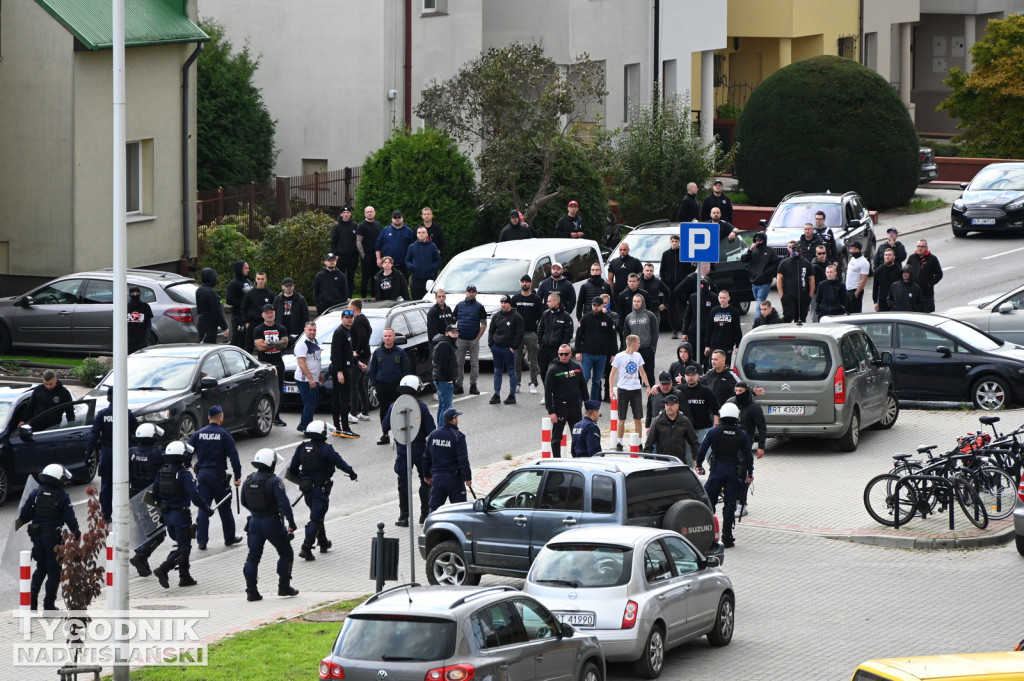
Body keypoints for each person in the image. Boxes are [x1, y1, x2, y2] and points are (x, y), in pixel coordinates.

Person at [288, 420, 357, 561]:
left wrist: (303, 478)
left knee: (318, 515)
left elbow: (293, 468)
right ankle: (306, 547)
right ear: (322, 433)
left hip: (307, 491)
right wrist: (351, 472)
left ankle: (323, 542)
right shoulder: (326, 449)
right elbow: (339, 462)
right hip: (320, 490)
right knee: (316, 518)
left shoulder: (302, 448)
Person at [150, 441, 214, 588]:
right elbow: (195, 496)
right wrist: (206, 509)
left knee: (182, 545)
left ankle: (185, 577)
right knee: (184, 548)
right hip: (181, 515)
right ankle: (163, 569)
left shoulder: (161, 472)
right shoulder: (184, 474)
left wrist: (163, 506)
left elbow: (154, 494)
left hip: (167, 515)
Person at [18, 464, 79, 611]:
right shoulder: (62, 497)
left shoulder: (35, 493)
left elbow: (23, 515)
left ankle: (31, 604)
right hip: (53, 539)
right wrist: (77, 536)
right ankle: (48, 606)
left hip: (37, 538)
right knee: (54, 571)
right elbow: (71, 521)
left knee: (40, 569)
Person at [241, 448, 299, 601]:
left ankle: (251, 591)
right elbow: (285, 504)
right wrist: (291, 522)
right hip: (272, 523)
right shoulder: (275, 481)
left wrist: (256, 511)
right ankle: (284, 587)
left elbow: (243, 501)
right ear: (271, 464)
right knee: (286, 552)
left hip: (254, 523)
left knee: (252, 558)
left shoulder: (248, 479)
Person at [695, 403, 754, 549]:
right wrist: (750, 473)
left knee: (709, 503)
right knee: (730, 505)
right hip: (733, 473)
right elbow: (748, 456)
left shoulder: (714, 432)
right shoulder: (741, 434)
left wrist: (699, 464)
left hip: (717, 472)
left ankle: (706, 536)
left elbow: (702, 449)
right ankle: (727, 538)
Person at [381, 376, 436, 526]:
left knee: (403, 482)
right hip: (419, 447)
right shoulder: (421, 407)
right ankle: (425, 514)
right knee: (426, 480)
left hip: (402, 449)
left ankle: (404, 516)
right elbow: (431, 429)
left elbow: (385, 425)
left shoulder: (394, 406)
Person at [189, 405, 243, 551]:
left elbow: (186, 451)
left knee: (203, 507)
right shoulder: (224, 434)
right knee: (225, 509)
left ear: (208, 417)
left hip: (202, 476)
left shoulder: (198, 434)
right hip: (218, 477)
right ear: (221, 417)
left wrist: (189, 465)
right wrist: (237, 476)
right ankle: (229, 538)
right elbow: (234, 457)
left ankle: (202, 541)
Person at [85, 386, 138, 522]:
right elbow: (137, 433)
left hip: (107, 453)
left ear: (108, 397)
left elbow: (93, 435)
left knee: (107, 485)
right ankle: (125, 514)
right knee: (126, 483)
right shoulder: (127, 414)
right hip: (124, 453)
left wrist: (88, 453)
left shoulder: (102, 414)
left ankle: (106, 515)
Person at [128, 424, 166, 577]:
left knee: (141, 531)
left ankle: (142, 561)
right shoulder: (157, 453)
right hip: (150, 495)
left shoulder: (130, 452)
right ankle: (140, 557)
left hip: (133, 494)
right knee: (159, 533)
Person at [726, 381, 766, 517]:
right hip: (729, 445)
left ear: (746, 391)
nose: (737, 394)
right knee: (730, 475)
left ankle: (742, 504)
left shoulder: (754, 407)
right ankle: (732, 501)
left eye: (740, 391)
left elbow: (762, 427)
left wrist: (761, 446)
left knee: (743, 475)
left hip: (745, 447)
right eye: (736, 391)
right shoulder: (731, 403)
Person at [368, 327, 411, 445]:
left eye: (389, 336)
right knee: (384, 411)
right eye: (385, 336)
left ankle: (398, 435)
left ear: (394, 337)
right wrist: (374, 384)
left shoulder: (400, 352)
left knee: (397, 411)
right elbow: (372, 370)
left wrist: (403, 385)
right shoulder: (377, 352)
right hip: (382, 386)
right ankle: (385, 434)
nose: (387, 338)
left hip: (396, 386)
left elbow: (406, 370)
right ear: (383, 338)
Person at [544, 343, 589, 458]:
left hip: (575, 406)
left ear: (570, 354)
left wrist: (588, 405)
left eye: (565, 354)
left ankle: (577, 457)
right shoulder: (553, 370)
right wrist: (551, 412)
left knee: (577, 435)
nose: (563, 356)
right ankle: (557, 461)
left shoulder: (577, 368)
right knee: (556, 437)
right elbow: (547, 393)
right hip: (560, 407)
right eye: (561, 354)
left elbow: (583, 387)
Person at [424, 408, 473, 512]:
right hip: (454, 479)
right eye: (457, 417)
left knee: (434, 511)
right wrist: (467, 478)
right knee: (460, 511)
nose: (458, 419)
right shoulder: (458, 436)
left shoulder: (434, 435)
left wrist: (426, 475)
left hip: (437, 479)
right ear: (454, 420)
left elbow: (426, 457)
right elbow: (463, 459)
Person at [609, 334, 650, 451]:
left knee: (638, 418)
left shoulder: (638, 356)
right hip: (623, 390)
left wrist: (647, 386)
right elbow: (612, 374)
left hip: (636, 389)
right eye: (638, 343)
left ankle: (639, 442)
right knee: (621, 418)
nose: (639, 345)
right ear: (633, 344)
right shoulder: (619, 356)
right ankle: (619, 443)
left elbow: (642, 372)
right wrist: (611, 390)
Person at [253, 304, 289, 427]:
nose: (270, 314)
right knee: (264, 391)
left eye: (271, 312)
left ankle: (277, 417)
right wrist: (276, 344)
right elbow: (260, 346)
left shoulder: (281, 328)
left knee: (279, 391)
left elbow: (284, 344)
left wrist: (268, 342)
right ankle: (266, 415)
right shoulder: (258, 329)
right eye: (267, 313)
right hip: (265, 365)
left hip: (278, 363)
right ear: (263, 315)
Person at [575, 296, 617, 402]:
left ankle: (593, 406)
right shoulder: (585, 318)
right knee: (584, 380)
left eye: (598, 305)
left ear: (602, 305)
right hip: (587, 354)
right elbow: (579, 336)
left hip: (602, 355)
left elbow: (612, 338)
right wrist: (578, 351)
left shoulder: (608, 319)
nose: (596, 308)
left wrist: (613, 354)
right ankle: (578, 405)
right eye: (594, 305)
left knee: (597, 381)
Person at [644, 394, 700, 465]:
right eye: (667, 405)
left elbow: (694, 441)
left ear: (677, 406)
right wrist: (650, 461)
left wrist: (696, 458)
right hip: (662, 463)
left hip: (679, 462)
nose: (669, 407)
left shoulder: (684, 421)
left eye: (672, 404)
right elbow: (648, 444)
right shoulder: (657, 421)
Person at [329, 311, 360, 438]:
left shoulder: (347, 331)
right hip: (341, 369)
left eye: (351, 317)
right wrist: (339, 371)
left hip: (345, 367)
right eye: (346, 318)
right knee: (343, 400)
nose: (349, 320)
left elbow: (347, 352)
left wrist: (357, 363)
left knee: (338, 398)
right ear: (342, 318)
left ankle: (338, 428)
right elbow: (336, 353)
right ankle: (344, 428)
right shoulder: (340, 332)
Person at [488, 294, 524, 405]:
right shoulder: (497, 316)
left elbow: (520, 333)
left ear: (510, 303)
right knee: (497, 372)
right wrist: (491, 345)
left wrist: (513, 347)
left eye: (505, 303)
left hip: (509, 349)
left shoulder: (516, 317)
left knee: (511, 372)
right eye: (502, 303)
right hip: (497, 347)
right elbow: (491, 330)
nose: (503, 305)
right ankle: (496, 394)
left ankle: (512, 395)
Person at [512, 275, 544, 393]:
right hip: (517, 334)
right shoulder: (515, 299)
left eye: (527, 282)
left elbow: (541, 317)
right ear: (520, 283)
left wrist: (537, 332)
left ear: (530, 284)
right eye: (523, 282)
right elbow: (511, 317)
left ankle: (533, 384)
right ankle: (516, 383)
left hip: (531, 333)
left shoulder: (536, 299)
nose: (525, 283)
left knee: (533, 360)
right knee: (517, 360)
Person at [453, 284, 487, 395]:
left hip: (473, 339)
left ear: (476, 293)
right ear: (466, 293)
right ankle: (459, 385)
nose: (471, 293)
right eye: (469, 291)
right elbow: (453, 323)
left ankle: (473, 385)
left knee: (474, 364)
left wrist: (477, 338)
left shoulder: (480, 307)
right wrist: (455, 335)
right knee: (459, 363)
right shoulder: (459, 305)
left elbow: (484, 324)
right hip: (461, 339)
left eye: (473, 291)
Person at [537, 291, 574, 385]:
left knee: (558, 372)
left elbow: (568, 334)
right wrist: (540, 343)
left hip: (557, 349)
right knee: (543, 371)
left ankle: (557, 392)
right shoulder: (545, 314)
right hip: (545, 347)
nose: (547, 303)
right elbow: (540, 329)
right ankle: (547, 391)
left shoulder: (566, 316)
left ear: (556, 302)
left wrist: (561, 348)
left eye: (549, 301)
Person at [659, 234, 693, 337]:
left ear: (679, 242)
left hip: (681, 285)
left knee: (683, 307)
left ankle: (685, 329)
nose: (674, 243)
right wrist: (666, 285)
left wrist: (685, 283)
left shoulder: (684, 254)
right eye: (673, 241)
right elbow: (662, 271)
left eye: (676, 241)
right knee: (671, 309)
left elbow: (689, 270)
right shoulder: (666, 254)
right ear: (670, 242)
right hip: (670, 286)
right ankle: (674, 330)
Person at [682, 274, 717, 368]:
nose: (702, 286)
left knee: (706, 356)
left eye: (704, 284)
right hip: (693, 331)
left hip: (707, 332)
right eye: (700, 284)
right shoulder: (693, 297)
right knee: (693, 355)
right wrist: (684, 332)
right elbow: (687, 315)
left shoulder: (713, 297)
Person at [292, 321, 323, 433]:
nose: (312, 332)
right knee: (310, 404)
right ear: (305, 330)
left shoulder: (314, 341)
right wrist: (310, 379)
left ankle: (303, 424)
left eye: (314, 330)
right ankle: (307, 428)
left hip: (314, 377)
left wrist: (319, 374)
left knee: (314, 403)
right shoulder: (302, 344)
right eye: (310, 330)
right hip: (304, 379)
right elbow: (301, 362)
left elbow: (316, 359)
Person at [741, 232, 779, 318]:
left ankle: (756, 325)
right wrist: (750, 250)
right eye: (757, 240)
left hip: (765, 282)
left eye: (760, 240)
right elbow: (743, 259)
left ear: (764, 240)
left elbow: (776, 264)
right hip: (754, 281)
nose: (758, 242)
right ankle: (766, 318)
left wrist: (766, 273)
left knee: (759, 305)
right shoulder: (753, 250)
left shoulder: (770, 251)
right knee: (760, 305)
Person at [678, 364, 719, 444]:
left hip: (703, 428)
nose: (690, 377)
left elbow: (716, 409)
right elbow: (666, 391)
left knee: (703, 455)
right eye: (688, 375)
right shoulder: (679, 390)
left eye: (693, 375)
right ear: (684, 376)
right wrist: (655, 387)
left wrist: (715, 424)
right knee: (688, 456)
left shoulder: (706, 391)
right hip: (686, 429)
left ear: (698, 376)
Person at [777, 241, 815, 323]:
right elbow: (779, 278)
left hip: (803, 296)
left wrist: (811, 294)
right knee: (788, 316)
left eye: (798, 249)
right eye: (794, 249)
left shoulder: (806, 263)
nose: (796, 251)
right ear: (791, 250)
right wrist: (781, 294)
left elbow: (811, 278)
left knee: (801, 319)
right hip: (788, 295)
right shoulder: (784, 263)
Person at [348, 299, 373, 420]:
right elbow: (369, 332)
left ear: (353, 308)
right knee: (360, 383)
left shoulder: (357, 321)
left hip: (361, 356)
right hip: (366, 354)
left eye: (349, 308)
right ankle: (365, 411)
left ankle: (353, 413)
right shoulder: (364, 319)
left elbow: (362, 336)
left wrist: (357, 351)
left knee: (353, 384)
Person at [625, 293, 659, 380]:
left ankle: (652, 391)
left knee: (649, 374)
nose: (636, 303)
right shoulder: (629, 317)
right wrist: (627, 349)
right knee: (635, 375)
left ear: (642, 302)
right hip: (634, 350)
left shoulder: (650, 315)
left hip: (647, 348)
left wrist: (653, 347)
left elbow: (655, 332)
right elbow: (626, 335)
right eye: (634, 301)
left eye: (638, 301)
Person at [431, 324, 460, 425]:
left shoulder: (444, 343)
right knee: (447, 408)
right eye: (453, 332)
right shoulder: (445, 345)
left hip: (440, 378)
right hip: (444, 380)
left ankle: (439, 429)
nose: (455, 335)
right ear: (446, 333)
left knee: (442, 406)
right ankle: (443, 431)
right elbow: (444, 364)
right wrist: (449, 378)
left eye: (456, 332)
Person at [705, 291, 742, 366]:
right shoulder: (714, 311)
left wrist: (738, 346)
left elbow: (737, 329)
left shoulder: (734, 312)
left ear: (728, 298)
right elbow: (709, 329)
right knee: (713, 365)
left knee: (725, 365)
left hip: (727, 345)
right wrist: (707, 345)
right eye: (720, 298)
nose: (722, 300)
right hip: (714, 344)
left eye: (724, 298)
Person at [240, 271, 275, 353]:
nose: (260, 281)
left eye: (262, 279)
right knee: (249, 346)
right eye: (258, 279)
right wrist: (246, 322)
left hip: (264, 323)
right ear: (255, 280)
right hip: (252, 323)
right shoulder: (250, 293)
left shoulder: (270, 294)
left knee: (264, 346)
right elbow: (243, 308)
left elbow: (274, 309)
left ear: (265, 280)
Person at [330, 205, 361, 295]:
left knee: (351, 277)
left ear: (350, 214)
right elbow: (333, 241)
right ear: (341, 214)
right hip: (341, 257)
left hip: (353, 257)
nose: (346, 214)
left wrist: (357, 253)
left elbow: (358, 241)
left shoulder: (355, 226)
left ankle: (349, 296)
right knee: (340, 277)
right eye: (344, 213)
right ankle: (340, 296)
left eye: (348, 213)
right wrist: (335, 254)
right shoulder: (337, 227)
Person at [375, 211, 417, 278]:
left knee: (403, 285)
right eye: (395, 217)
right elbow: (378, 245)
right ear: (392, 219)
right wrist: (378, 259)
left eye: (399, 217)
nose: (397, 219)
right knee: (387, 286)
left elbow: (414, 248)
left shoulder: (409, 231)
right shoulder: (385, 230)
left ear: (402, 218)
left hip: (404, 265)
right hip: (387, 265)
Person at [906, 239, 943, 312]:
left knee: (926, 313)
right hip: (913, 292)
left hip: (926, 293)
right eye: (918, 246)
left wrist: (930, 283)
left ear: (926, 248)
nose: (920, 248)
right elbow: (907, 271)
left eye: (922, 246)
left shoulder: (932, 259)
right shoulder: (912, 258)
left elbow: (939, 274)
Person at [405, 226, 441, 300]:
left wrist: (431, 267)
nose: (421, 234)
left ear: (427, 234)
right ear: (416, 235)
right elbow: (407, 260)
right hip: (416, 279)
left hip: (429, 280)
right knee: (416, 302)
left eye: (423, 232)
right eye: (419, 233)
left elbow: (438, 261)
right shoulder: (412, 247)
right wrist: (412, 267)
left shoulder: (432, 246)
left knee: (428, 301)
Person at [196, 268, 228, 344]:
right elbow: (216, 311)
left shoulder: (199, 290)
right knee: (207, 345)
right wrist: (224, 327)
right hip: (209, 325)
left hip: (202, 322)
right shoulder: (211, 292)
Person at [274, 278, 310, 344]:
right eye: (286, 286)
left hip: (296, 331)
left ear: (293, 286)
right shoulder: (277, 299)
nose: (288, 288)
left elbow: (305, 316)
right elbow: (274, 313)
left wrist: (302, 330)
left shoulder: (300, 299)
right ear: (282, 287)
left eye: (290, 286)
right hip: (281, 329)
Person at [357, 206, 382, 299]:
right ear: (365, 214)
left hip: (376, 255)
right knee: (365, 278)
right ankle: (363, 298)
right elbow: (358, 241)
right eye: (367, 212)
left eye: (371, 211)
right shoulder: (362, 226)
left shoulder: (378, 224)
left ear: (374, 213)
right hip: (366, 256)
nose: (370, 213)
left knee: (375, 278)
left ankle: (374, 296)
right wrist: (363, 256)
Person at [226, 260, 252, 348]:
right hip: (238, 317)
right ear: (240, 269)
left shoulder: (248, 281)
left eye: (248, 268)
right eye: (246, 268)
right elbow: (229, 300)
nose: (248, 270)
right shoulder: (233, 283)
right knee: (237, 339)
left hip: (248, 316)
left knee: (247, 340)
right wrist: (244, 303)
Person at [844, 241, 870, 314]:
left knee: (855, 313)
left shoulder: (864, 262)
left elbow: (864, 279)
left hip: (855, 290)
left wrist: (856, 293)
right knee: (847, 312)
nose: (850, 250)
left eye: (851, 249)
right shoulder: (853, 258)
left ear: (857, 250)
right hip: (848, 289)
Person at [127, 285, 153, 354]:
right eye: (133, 294)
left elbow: (148, 323)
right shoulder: (126, 307)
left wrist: (147, 336)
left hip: (141, 338)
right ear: (130, 294)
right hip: (128, 338)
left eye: (136, 293)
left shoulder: (145, 306)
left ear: (139, 294)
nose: (135, 295)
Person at [873, 248, 901, 312]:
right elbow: (875, 287)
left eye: (889, 255)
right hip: (883, 301)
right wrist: (875, 302)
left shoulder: (899, 270)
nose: (887, 257)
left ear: (893, 257)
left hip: (895, 300)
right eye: (886, 255)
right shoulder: (878, 271)